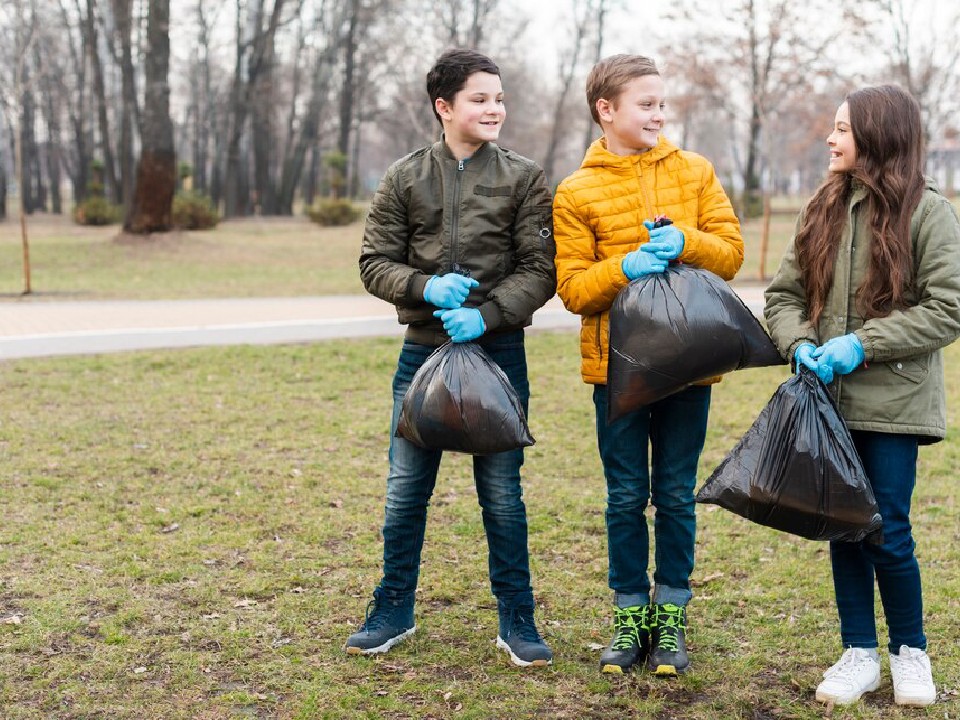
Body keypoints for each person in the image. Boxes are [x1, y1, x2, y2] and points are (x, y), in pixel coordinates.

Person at [348, 48, 557, 667]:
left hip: (499, 357)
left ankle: (517, 617)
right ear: (444, 107)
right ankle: (392, 607)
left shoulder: (524, 178)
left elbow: (540, 269)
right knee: (405, 490)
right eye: (480, 98)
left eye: (499, 97)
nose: (495, 108)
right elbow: (373, 263)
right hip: (421, 355)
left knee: (502, 495)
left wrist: (488, 315)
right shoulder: (404, 178)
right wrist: (423, 287)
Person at [764, 84, 960, 707]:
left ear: (876, 136)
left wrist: (863, 343)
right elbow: (783, 296)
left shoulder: (929, 211)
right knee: (842, 526)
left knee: (888, 529)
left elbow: (948, 307)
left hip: (895, 404)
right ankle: (859, 654)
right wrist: (798, 344)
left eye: (843, 129)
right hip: (827, 402)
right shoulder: (819, 206)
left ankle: (910, 653)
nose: (831, 137)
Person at [553, 54, 743, 675]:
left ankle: (671, 621)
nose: (659, 114)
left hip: (689, 367)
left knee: (677, 496)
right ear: (606, 110)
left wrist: (687, 242)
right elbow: (576, 290)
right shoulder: (575, 191)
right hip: (619, 374)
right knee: (626, 496)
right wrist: (627, 265)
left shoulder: (695, 172)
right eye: (646, 104)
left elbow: (732, 254)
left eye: (663, 103)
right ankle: (630, 614)